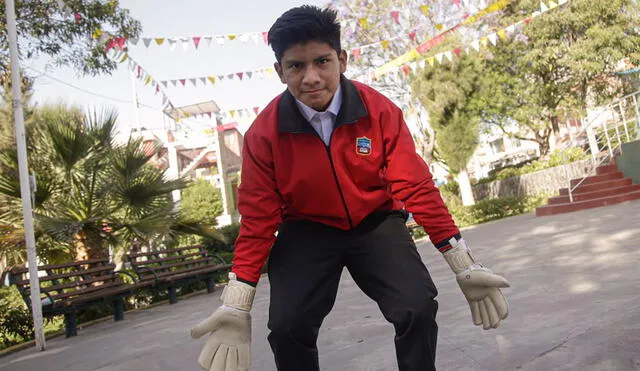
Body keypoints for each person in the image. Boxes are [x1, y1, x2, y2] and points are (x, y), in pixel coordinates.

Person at [190, 5, 510, 371]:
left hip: (376, 222)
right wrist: (237, 301)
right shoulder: (264, 133)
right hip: (306, 229)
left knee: (417, 307)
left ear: (341, 59)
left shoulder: (380, 111)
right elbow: (258, 218)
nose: (311, 77)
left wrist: (462, 263)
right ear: (279, 71)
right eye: (296, 65)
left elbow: (417, 187)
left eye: (322, 61)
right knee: (286, 328)